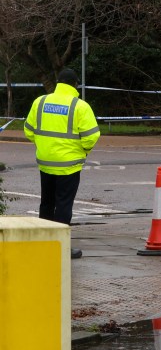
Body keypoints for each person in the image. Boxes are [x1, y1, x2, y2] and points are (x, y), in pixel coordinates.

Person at [23, 68, 101, 259]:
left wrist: (45, 146)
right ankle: (61, 247)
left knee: (47, 204)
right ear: (75, 85)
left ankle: (44, 244)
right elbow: (92, 136)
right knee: (64, 205)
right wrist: (83, 151)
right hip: (69, 165)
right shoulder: (80, 106)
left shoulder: (40, 102)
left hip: (46, 163)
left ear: (58, 82)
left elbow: (28, 130)